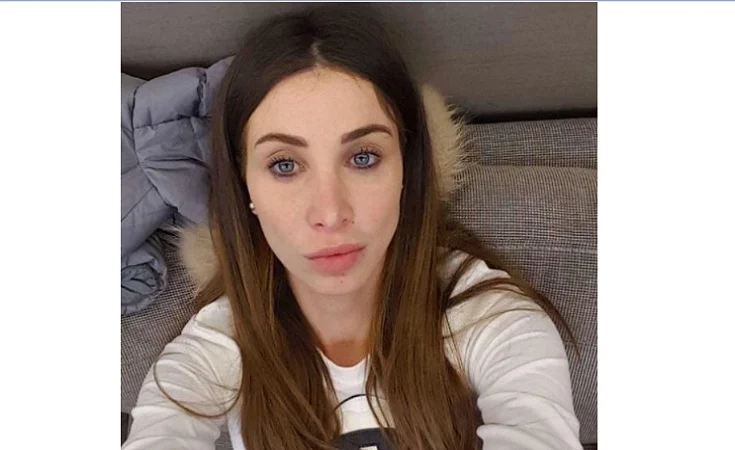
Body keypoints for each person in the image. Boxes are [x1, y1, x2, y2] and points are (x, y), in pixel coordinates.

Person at [122, 6, 582, 450]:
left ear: (406, 170)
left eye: (363, 157)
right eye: (284, 165)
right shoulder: (214, 348)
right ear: (245, 187)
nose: (330, 212)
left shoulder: (492, 320)